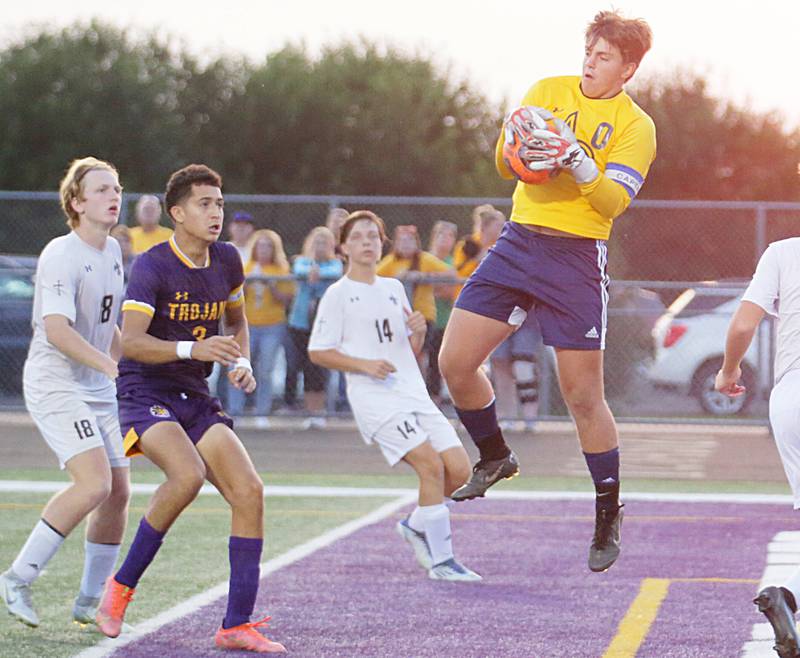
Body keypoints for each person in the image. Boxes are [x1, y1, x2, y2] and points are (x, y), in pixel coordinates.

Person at [438, 9, 656, 574]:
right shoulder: (547, 89)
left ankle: (608, 509)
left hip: (576, 256)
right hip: (518, 241)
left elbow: (612, 204)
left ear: (628, 68)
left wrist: (580, 163)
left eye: (604, 56)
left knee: (583, 396)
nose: (590, 61)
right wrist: (530, 153)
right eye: (589, 50)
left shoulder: (637, 126)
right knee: (456, 362)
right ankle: (495, 456)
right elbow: (503, 161)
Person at [93, 164, 285, 653]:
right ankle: (118, 590)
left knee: (249, 491)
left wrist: (241, 361)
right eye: (205, 204)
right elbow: (132, 343)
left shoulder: (227, 261)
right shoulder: (153, 264)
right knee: (186, 475)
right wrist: (192, 351)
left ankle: (235, 625)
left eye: (219, 203)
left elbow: (237, 322)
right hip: (145, 391)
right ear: (177, 213)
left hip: (194, 395)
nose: (215, 212)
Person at [308, 210, 480, 581]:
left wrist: (417, 331)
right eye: (358, 237)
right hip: (375, 399)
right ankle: (442, 561)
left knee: (461, 471)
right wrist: (363, 365)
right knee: (430, 466)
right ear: (343, 246)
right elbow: (318, 351)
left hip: (411, 391)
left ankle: (417, 525)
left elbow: (410, 348)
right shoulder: (338, 295)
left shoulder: (393, 288)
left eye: (373, 236)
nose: (367, 242)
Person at [0, 157, 130, 628]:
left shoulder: (113, 250)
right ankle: (17, 577)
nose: (114, 196)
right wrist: (109, 366)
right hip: (56, 382)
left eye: (116, 188)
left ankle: (88, 603)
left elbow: (108, 322)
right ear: (76, 202)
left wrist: (127, 362)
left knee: (118, 492)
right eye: (101, 189)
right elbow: (57, 330)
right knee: (94, 483)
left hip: (96, 384)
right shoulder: (61, 253)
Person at [715, 238, 800, 657]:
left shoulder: (782, 252)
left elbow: (744, 325)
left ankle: (787, 597)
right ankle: (788, 596)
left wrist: (729, 370)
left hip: (790, 398)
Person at [227, 229, 294, 427]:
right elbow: (233, 299)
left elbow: (286, 300)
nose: (263, 249)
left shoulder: (281, 270)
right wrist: (246, 284)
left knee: (265, 370)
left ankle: (261, 412)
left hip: (272, 326)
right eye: (260, 245)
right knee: (239, 366)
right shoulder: (245, 267)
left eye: (268, 246)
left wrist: (271, 285)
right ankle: (236, 412)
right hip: (246, 326)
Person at [377, 225, 453, 394]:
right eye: (402, 241)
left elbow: (451, 273)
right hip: (399, 317)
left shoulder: (424, 259)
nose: (406, 244)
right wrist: (396, 279)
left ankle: (425, 393)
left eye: (410, 240)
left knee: (423, 357)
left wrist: (424, 277)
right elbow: (374, 278)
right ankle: (403, 392)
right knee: (401, 357)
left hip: (423, 316)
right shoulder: (392, 261)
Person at [284, 226, 343, 428]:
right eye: (317, 241)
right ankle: (309, 411)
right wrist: (312, 270)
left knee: (318, 368)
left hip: (323, 322)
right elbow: (298, 270)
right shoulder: (302, 261)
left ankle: (319, 411)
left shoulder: (335, 263)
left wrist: (317, 272)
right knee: (301, 366)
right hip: (299, 322)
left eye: (324, 242)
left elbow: (335, 272)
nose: (320, 246)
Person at [428, 220, 460, 402]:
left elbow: (450, 292)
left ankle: (439, 401)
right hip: (424, 320)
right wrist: (439, 283)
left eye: (450, 236)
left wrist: (432, 283)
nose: (445, 240)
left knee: (440, 364)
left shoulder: (453, 262)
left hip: (445, 321)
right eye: (442, 235)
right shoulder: (424, 259)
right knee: (424, 364)